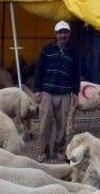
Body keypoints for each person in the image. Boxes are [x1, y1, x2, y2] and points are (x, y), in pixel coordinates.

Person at [33, 21, 79, 162]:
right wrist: (37, 89)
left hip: (64, 92)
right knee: (45, 123)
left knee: (62, 124)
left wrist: (75, 92)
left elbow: (76, 73)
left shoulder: (73, 53)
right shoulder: (47, 50)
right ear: (56, 34)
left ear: (69, 34)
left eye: (65, 32)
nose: (63, 35)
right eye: (60, 32)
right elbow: (39, 70)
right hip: (47, 91)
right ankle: (43, 151)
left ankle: (59, 150)